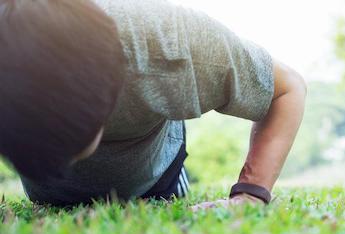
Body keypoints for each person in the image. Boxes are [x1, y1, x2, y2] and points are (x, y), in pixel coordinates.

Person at [0, 0, 306, 208]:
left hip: (155, 184)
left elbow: (288, 89)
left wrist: (250, 196)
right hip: (45, 196)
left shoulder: (168, 40)